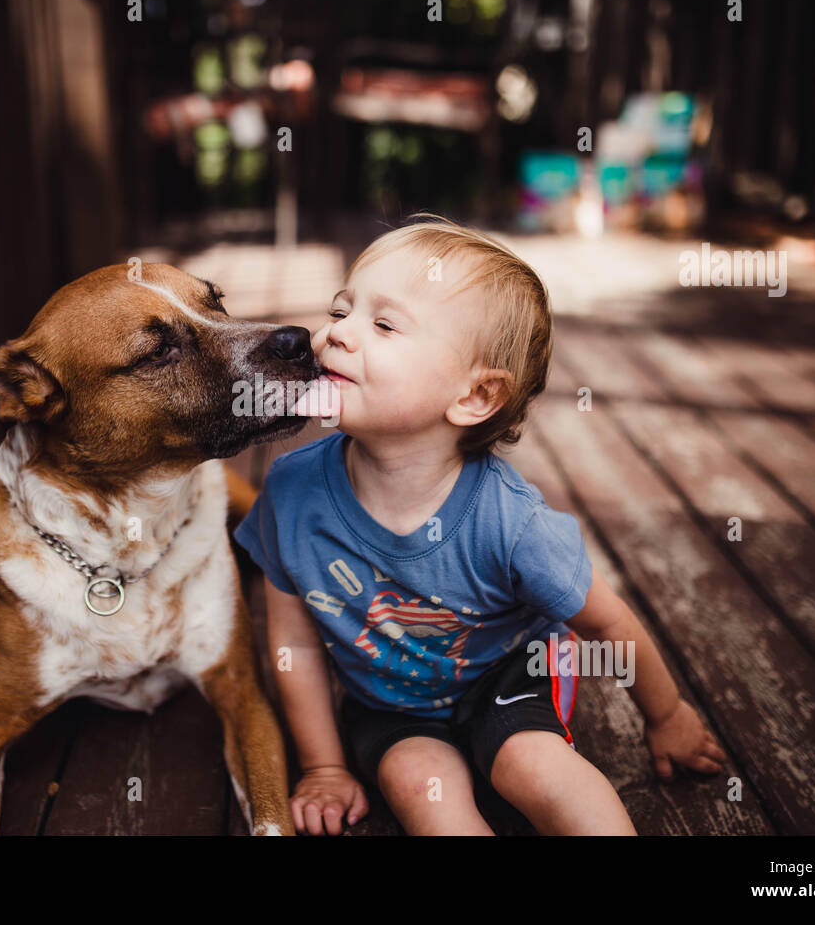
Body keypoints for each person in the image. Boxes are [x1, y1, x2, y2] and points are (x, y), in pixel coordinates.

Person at [234, 217, 727, 835]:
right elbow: (295, 644)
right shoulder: (290, 492)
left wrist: (669, 714)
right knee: (421, 790)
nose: (336, 335)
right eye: (341, 309)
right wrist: (326, 766)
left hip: (510, 675)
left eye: (384, 325)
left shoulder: (511, 522)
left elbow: (607, 622)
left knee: (533, 766)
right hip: (391, 706)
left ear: (474, 396)